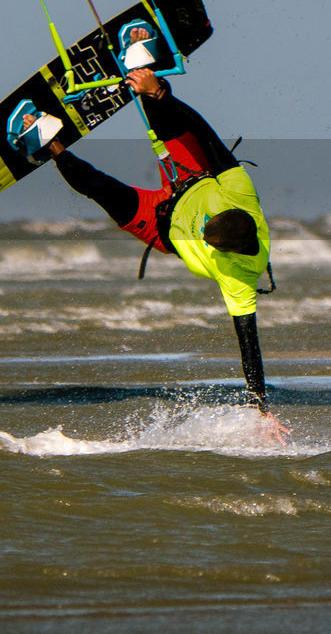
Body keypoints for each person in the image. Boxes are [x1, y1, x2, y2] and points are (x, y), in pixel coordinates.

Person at [26, 64, 288, 443]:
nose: (203, 231)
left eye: (206, 238)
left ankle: (48, 142)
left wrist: (263, 409)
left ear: (223, 251)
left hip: (162, 223)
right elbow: (205, 132)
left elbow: (249, 346)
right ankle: (146, 78)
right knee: (174, 126)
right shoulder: (239, 191)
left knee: (101, 189)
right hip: (191, 176)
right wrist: (161, 95)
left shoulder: (239, 279)